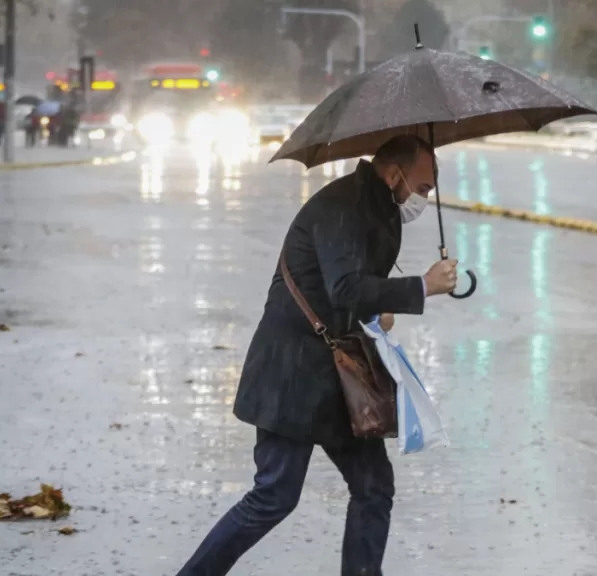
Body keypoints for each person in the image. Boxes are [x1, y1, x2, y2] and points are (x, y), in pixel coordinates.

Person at [175, 134, 459, 576]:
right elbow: (344, 286)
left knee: (373, 486)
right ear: (394, 172)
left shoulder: (379, 207)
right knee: (274, 495)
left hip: (339, 377)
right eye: (423, 188)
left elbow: (349, 286)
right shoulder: (342, 205)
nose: (425, 198)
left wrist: (378, 308)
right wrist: (421, 285)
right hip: (292, 374)